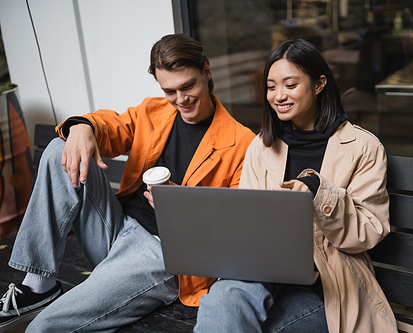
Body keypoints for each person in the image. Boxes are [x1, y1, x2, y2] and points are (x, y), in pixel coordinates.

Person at [0, 33, 255, 332]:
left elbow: (236, 227)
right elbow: (111, 127)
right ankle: (39, 285)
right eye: (170, 91)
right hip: (116, 228)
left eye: (188, 86)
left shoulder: (242, 142)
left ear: (207, 71)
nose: (181, 100)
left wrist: (182, 205)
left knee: (43, 329)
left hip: (164, 253)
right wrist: (83, 127)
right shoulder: (153, 111)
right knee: (60, 147)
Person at [194, 39, 399, 332]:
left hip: (326, 287)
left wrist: (318, 193)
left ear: (319, 84)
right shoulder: (261, 147)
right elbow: (247, 220)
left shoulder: (363, 147)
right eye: (271, 86)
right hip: (263, 273)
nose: (278, 96)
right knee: (222, 299)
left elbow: (369, 231)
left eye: (290, 85)